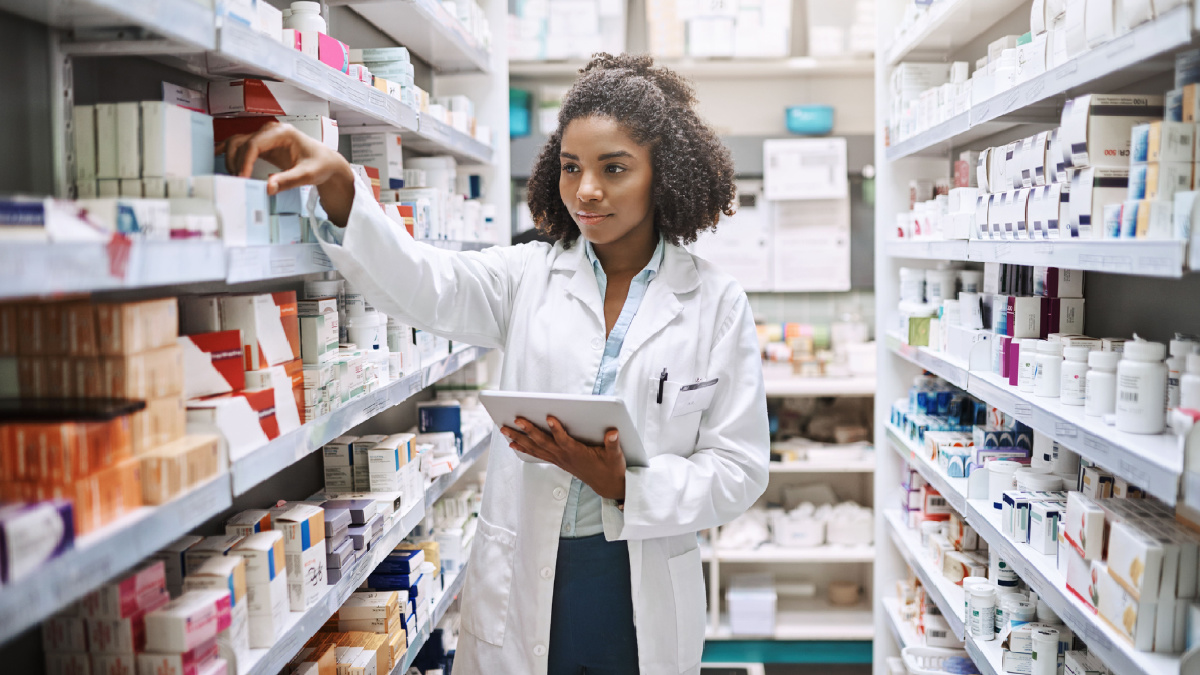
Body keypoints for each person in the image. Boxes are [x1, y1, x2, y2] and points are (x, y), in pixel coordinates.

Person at [220, 52, 769, 675]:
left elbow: (739, 469)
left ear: (662, 175)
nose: (586, 190)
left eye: (613, 168)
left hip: (636, 580)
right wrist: (343, 189)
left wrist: (624, 484)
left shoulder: (715, 303)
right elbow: (428, 285)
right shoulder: (527, 273)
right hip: (528, 573)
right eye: (571, 167)